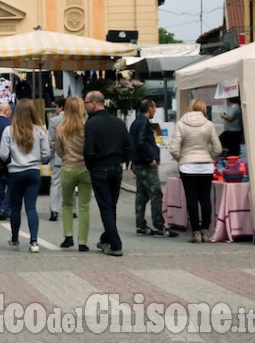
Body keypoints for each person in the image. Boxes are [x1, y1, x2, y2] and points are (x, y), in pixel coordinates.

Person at [83, 91, 131, 256]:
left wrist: (91, 166)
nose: (85, 106)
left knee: (105, 206)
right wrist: (121, 160)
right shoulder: (118, 122)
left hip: (99, 167)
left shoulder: (91, 124)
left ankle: (116, 244)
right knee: (111, 205)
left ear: (94, 103)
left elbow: (88, 151)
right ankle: (107, 238)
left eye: (86, 103)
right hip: (116, 166)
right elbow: (128, 146)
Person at [0, 99, 51, 253]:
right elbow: (47, 153)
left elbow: (3, 154)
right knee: (31, 207)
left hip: (15, 172)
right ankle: (34, 241)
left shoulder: (9, 130)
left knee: (16, 207)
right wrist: (38, 159)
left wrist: (11, 159)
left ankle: (15, 239)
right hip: (33, 171)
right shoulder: (40, 131)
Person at [169, 99, 222, 243]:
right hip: (206, 166)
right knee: (205, 198)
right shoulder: (209, 125)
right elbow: (218, 148)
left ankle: (196, 232)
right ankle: (206, 230)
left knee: (191, 199)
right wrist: (207, 155)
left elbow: (173, 148)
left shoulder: (180, 124)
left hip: (187, 166)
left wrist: (182, 158)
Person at [130, 98, 176, 237]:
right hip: (146, 164)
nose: (155, 110)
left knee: (142, 194)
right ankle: (159, 226)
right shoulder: (144, 123)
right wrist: (150, 158)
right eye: (154, 107)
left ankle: (141, 225)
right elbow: (141, 142)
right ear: (149, 108)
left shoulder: (136, 122)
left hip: (138, 163)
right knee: (156, 193)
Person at [54, 97, 92, 252]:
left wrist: (65, 156)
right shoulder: (87, 126)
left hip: (68, 167)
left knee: (67, 204)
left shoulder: (61, 127)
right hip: (85, 168)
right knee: (84, 206)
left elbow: (58, 148)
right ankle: (82, 241)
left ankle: (68, 236)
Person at [47, 98, 65, 222]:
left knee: (56, 183)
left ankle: (54, 209)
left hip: (58, 156)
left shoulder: (54, 121)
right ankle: (73, 209)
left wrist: (51, 154)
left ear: (61, 107)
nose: (55, 109)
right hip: (74, 157)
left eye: (56, 107)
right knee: (71, 184)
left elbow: (52, 140)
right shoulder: (77, 119)